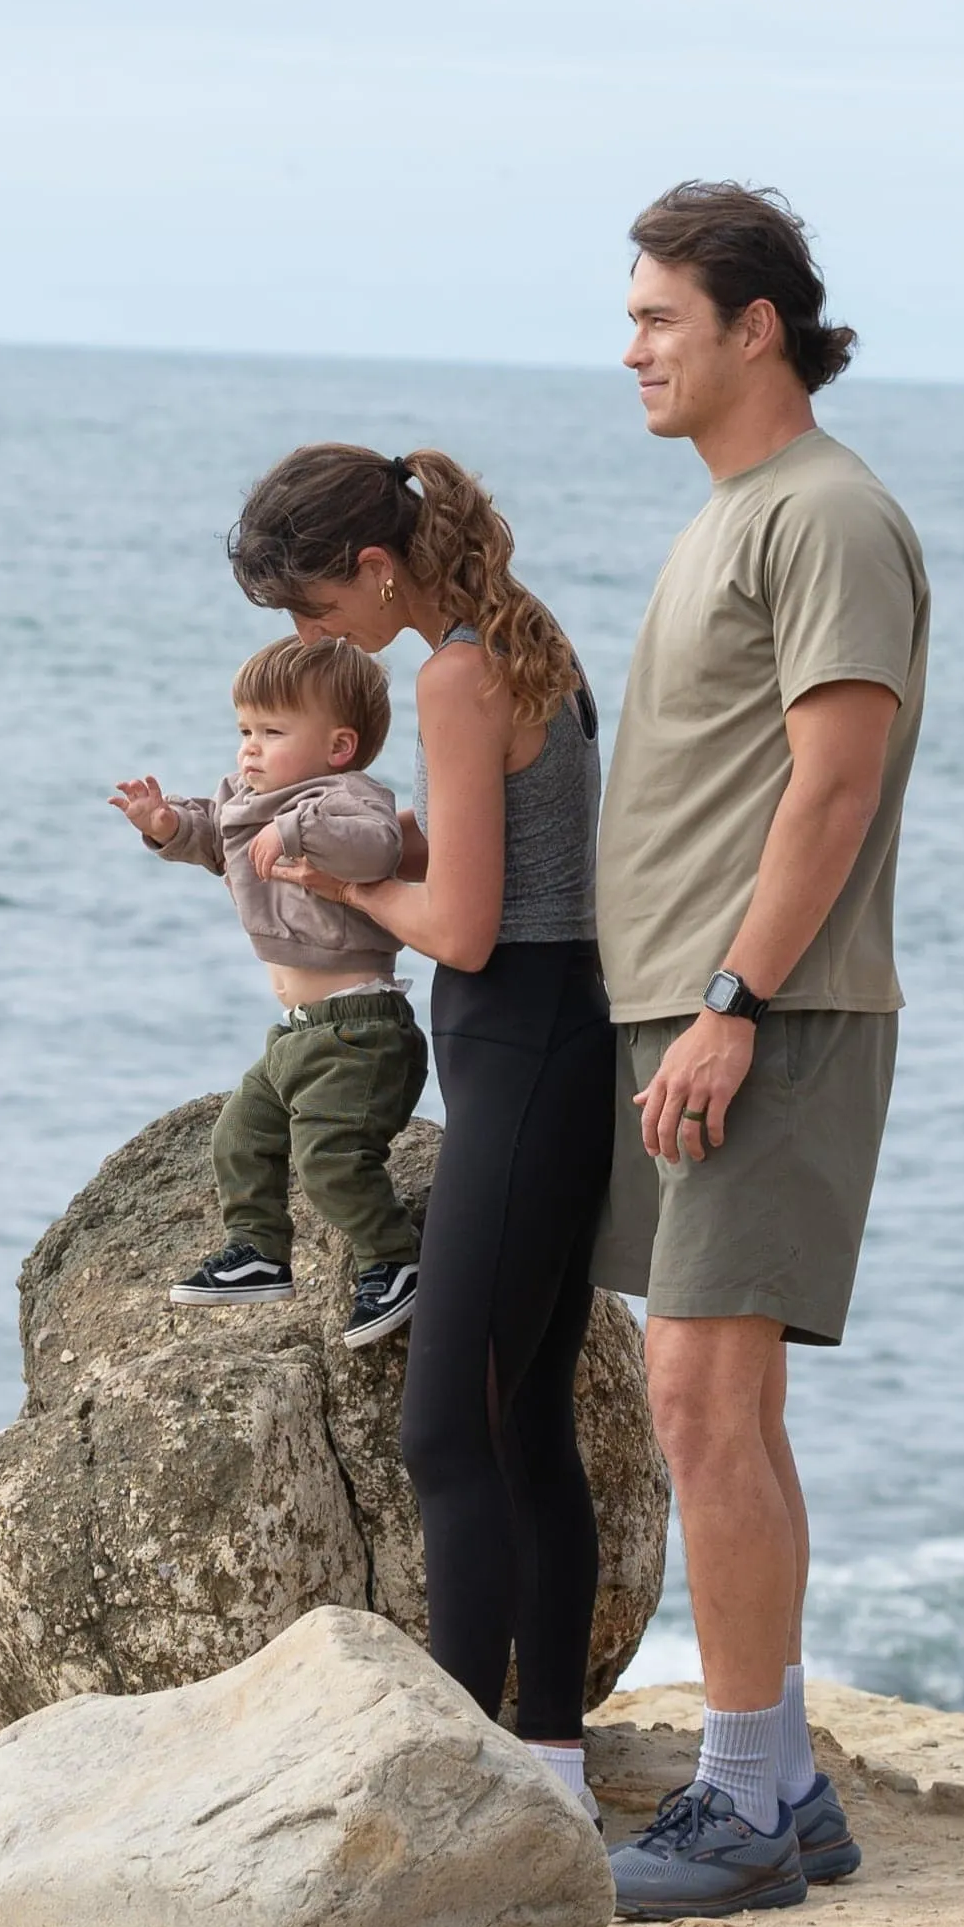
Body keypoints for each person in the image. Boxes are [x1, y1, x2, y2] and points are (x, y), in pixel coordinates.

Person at [596, 181, 928, 1919]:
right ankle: (779, 1780)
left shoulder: (825, 514)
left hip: (762, 1010)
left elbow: (835, 779)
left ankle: (737, 1795)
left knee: (701, 1398)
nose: (630, 345)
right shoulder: (737, 512)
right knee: (725, 1399)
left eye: (659, 314)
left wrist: (730, 1001)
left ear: (754, 326)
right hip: (697, 1003)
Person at [222, 444, 616, 1822]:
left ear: (376, 566)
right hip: (565, 1037)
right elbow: (499, 865)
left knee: (451, 1429)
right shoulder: (522, 632)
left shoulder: (457, 673)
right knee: (528, 1428)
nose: (308, 635)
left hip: (517, 1046)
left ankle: (456, 1783)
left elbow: (460, 925)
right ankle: (552, 1771)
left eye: (314, 604)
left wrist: (334, 870)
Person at [110, 637, 426, 1338]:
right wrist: (165, 826)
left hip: (361, 1028)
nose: (250, 749)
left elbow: (376, 848)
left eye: (273, 732)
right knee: (239, 1137)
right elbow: (213, 836)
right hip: (299, 1034)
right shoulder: (245, 800)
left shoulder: (347, 799)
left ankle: (394, 1260)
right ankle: (259, 1253)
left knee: (331, 1159)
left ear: (339, 746)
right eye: (245, 731)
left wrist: (296, 830)